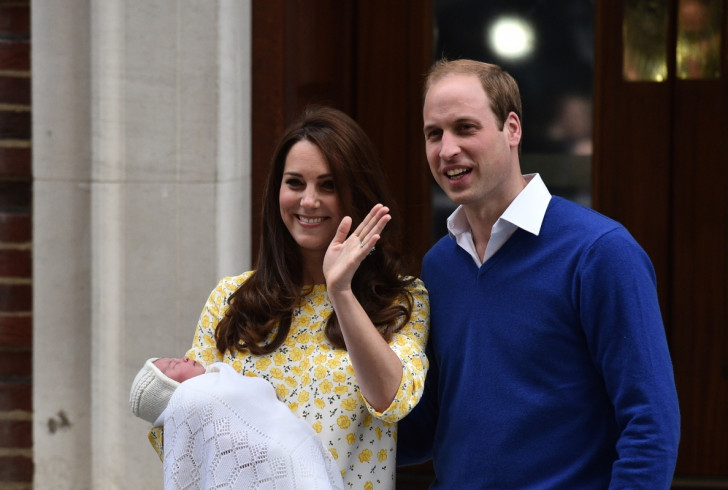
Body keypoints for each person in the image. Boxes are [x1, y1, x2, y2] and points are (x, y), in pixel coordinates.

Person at [397, 58, 680, 488]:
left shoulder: (600, 253)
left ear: (512, 128)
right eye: (433, 134)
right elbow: (426, 429)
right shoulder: (439, 266)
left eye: (465, 128)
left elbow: (651, 424)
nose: (447, 149)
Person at [167, 106, 430, 488]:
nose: (308, 201)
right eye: (295, 183)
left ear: (355, 194)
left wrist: (340, 291)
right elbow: (184, 427)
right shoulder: (230, 298)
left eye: (328, 185)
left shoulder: (401, 299)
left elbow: (394, 400)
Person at [130, 356, 344, 489]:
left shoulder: (218, 382)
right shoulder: (192, 397)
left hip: (292, 449)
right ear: (167, 389)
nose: (184, 359)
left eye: (176, 358)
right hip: (277, 459)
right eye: (172, 365)